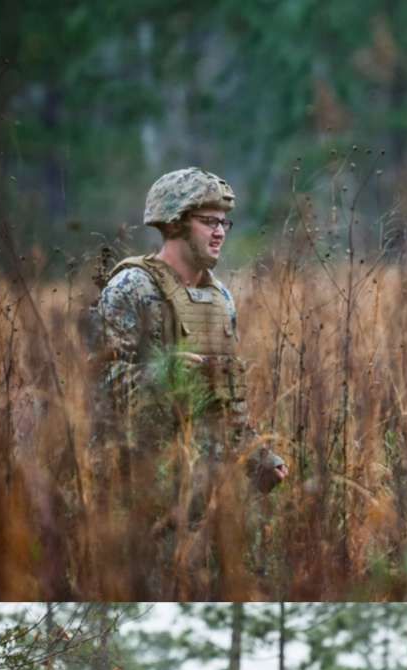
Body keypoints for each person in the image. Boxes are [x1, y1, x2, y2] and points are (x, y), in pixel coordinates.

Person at [87, 168, 286, 592]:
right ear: (175, 223)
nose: (219, 233)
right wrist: (166, 371)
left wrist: (258, 455)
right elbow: (101, 387)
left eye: (223, 222)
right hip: (144, 486)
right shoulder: (132, 288)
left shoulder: (220, 298)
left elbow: (227, 400)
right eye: (208, 221)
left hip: (207, 489)